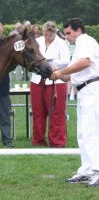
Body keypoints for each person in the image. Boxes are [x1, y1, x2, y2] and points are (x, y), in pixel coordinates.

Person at [50, 17, 99, 187]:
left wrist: (62, 71)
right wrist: (56, 72)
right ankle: (87, 170)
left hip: (92, 89)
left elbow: (85, 63)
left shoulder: (86, 41)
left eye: (69, 33)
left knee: (90, 131)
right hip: (83, 91)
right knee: (83, 133)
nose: (67, 37)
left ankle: (97, 171)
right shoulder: (79, 46)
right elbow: (69, 75)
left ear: (78, 30)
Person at [30, 21, 70, 148]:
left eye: (50, 35)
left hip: (56, 79)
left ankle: (57, 141)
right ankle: (38, 140)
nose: (48, 37)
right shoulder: (38, 41)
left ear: (54, 33)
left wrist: (52, 64)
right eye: (46, 35)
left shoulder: (62, 43)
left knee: (56, 112)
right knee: (38, 111)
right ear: (43, 32)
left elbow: (66, 61)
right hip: (37, 79)